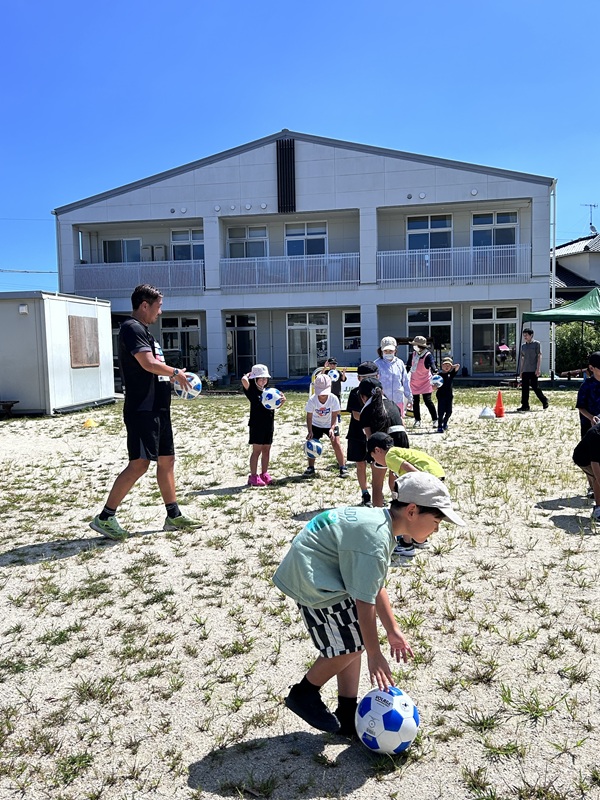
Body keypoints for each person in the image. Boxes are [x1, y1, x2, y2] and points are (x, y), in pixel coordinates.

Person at [273, 472, 465, 735]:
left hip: (319, 569)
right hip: (313, 580)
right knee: (351, 645)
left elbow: (374, 585)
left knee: (353, 642)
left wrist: (393, 630)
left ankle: (347, 712)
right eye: (436, 520)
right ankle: (304, 693)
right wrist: (375, 655)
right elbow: (365, 602)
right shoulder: (375, 540)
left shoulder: (381, 525)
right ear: (412, 511)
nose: (437, 528)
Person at [90, 284, 200, 541]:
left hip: (159, 409)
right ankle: (105, 517)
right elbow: (148, 363)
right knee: (139, 463)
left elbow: (153, 369)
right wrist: (175, 372)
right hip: (142, 409)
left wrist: (170, 379)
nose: (160, 312)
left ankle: (173, 516)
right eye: (158, 306)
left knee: (167, 460)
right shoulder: (132, 328)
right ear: (144, 305)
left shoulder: (145, 332)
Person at [367, 432, 447, 557]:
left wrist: (423, 480)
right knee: (421, 509)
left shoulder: (389, 456)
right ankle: (420, 538)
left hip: (427, 476)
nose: (375, 461)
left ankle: (406, 544)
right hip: (437, 472)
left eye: (373, 457)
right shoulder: (398, 451)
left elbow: (406, 466)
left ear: (377, 450)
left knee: (406, 508)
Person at [359, 378, 409, 507]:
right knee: (396, 481)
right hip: (402, 440)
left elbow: (370, 438)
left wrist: (371, 457)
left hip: (383, 444)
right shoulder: (393, 404)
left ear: (363, 396)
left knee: (377, 484)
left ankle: (378, 513)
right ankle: (398, 508)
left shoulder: (366, 409)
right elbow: (402, 425)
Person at [241, 364, 286, 487]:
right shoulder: (251, 390)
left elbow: (275, 406)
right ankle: (253, 476)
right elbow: (244, 380)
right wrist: (249, 374)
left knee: (267, 449)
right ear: (255, 379)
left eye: (265, 378)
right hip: (256, 424)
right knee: (257, 451)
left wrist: (282, 402)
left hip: (268, 423)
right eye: (260, 378)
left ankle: (264, 473)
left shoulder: (270, 391)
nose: (263, 380)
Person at [345, 361, 379, 507]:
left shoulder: (379, 392)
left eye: (373, 376)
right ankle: (365, 493)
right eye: (365, 377)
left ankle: (378, 493)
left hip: (376, 433)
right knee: (360, 464)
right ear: (359, 378)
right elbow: (356, 415)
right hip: (357, 432)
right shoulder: (355, 393)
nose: (370, 380)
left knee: (376, 465)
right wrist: (370, 418)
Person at [305, 374, 348, 479]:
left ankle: (342, 467)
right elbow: (309, 417)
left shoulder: (333, 399)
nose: (322, 395)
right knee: (312, 444)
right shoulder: (312, 400)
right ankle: (311, 467)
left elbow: (334, 415)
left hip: (330, 423)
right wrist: (310, 431)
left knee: (336, 443)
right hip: (316, 424)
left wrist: (332, 428)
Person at [374, 337, 412, 416]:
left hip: (398, 400)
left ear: (395, 350)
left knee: (398, 423)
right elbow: (374, 382)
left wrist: (409, 398)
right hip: (382, 400)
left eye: (390, 351)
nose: (388, 353)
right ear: (381, 351)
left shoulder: (400, 363)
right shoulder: (377, 364)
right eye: (385, 351)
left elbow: (405, 381)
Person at [406, 335, 438, 428]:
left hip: (425, 381)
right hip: (414, 381)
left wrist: (435, 370)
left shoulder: (427, 355)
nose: (414, 346)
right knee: (415, 401)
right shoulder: (412, 355)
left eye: (416, 345)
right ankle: (417, 420)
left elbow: (432, 364)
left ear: (421, 346)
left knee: (428, 401)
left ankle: (435, 419)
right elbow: (408, 366)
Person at [572, 421, 600, 521]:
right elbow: (595, 463)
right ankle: (598, 510)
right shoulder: (596, 435)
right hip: (584, 459)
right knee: (598, 478)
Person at [517, 328, 549, 412]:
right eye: (524, 335)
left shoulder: (536, 344)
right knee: (524, 389)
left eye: (526, 335)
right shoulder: (523, 346)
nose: (525, 337)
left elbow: (539, 356)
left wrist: (538, 369)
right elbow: (523, 359)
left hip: (533, 369)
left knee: (535, 387)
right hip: (525, 370)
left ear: (531, 335)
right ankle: (525, 405)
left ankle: (544, 400)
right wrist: (521, 371)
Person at [576, 352, 600, 438]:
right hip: (589, 426)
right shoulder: (586, 386)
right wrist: (591, 417)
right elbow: (580, 406)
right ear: (591, 368)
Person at [435, 357, 460, 433]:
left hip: (449, 396)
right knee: (441, 412)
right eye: (445, 365)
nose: (446, 366)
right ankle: (439, 426)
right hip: (441, 396)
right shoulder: (439, 375)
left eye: (448, 365)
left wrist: (452, 366)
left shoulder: (451, 374)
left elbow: (458, 366)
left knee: (449, 412)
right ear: (441, 366)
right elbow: (433, 385)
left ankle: (445, 422)